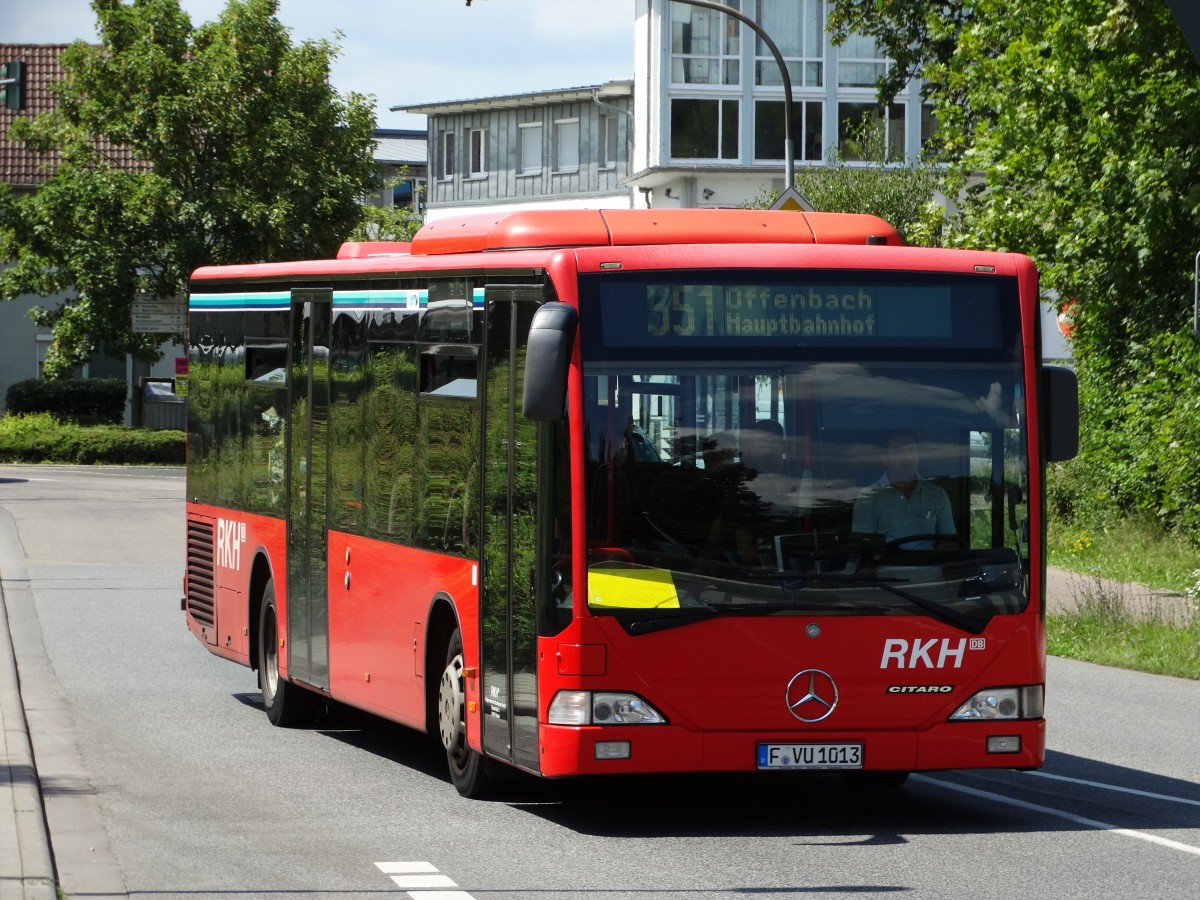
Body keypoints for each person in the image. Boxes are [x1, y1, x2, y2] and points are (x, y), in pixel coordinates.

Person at [851, 430, 955, 549]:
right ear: (885, 458)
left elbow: (949, 544)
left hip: (929, 565)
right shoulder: (869, 496)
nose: (907, 457)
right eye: (898, 451)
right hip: (886, 566)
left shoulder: (937, 494)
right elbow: (861, 548)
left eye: (912, 450)